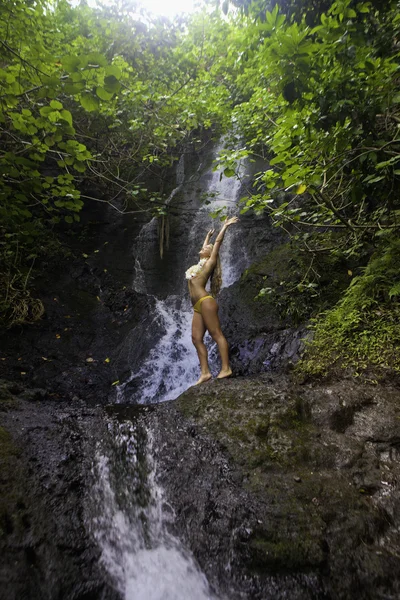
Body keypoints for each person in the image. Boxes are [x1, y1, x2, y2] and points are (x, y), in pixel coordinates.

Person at [185, 216, 239, 384]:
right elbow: (204, 248)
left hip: (206, 301)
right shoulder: (199, 264)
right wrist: (207, 236)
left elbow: (217, 244)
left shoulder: (209, 263)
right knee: (196, 338)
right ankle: (205, 373)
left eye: (207, 248)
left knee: (216, 334)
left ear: (209, 254)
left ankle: (226, 368)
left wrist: (225, 227)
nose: (205, 247)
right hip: (197, 307)